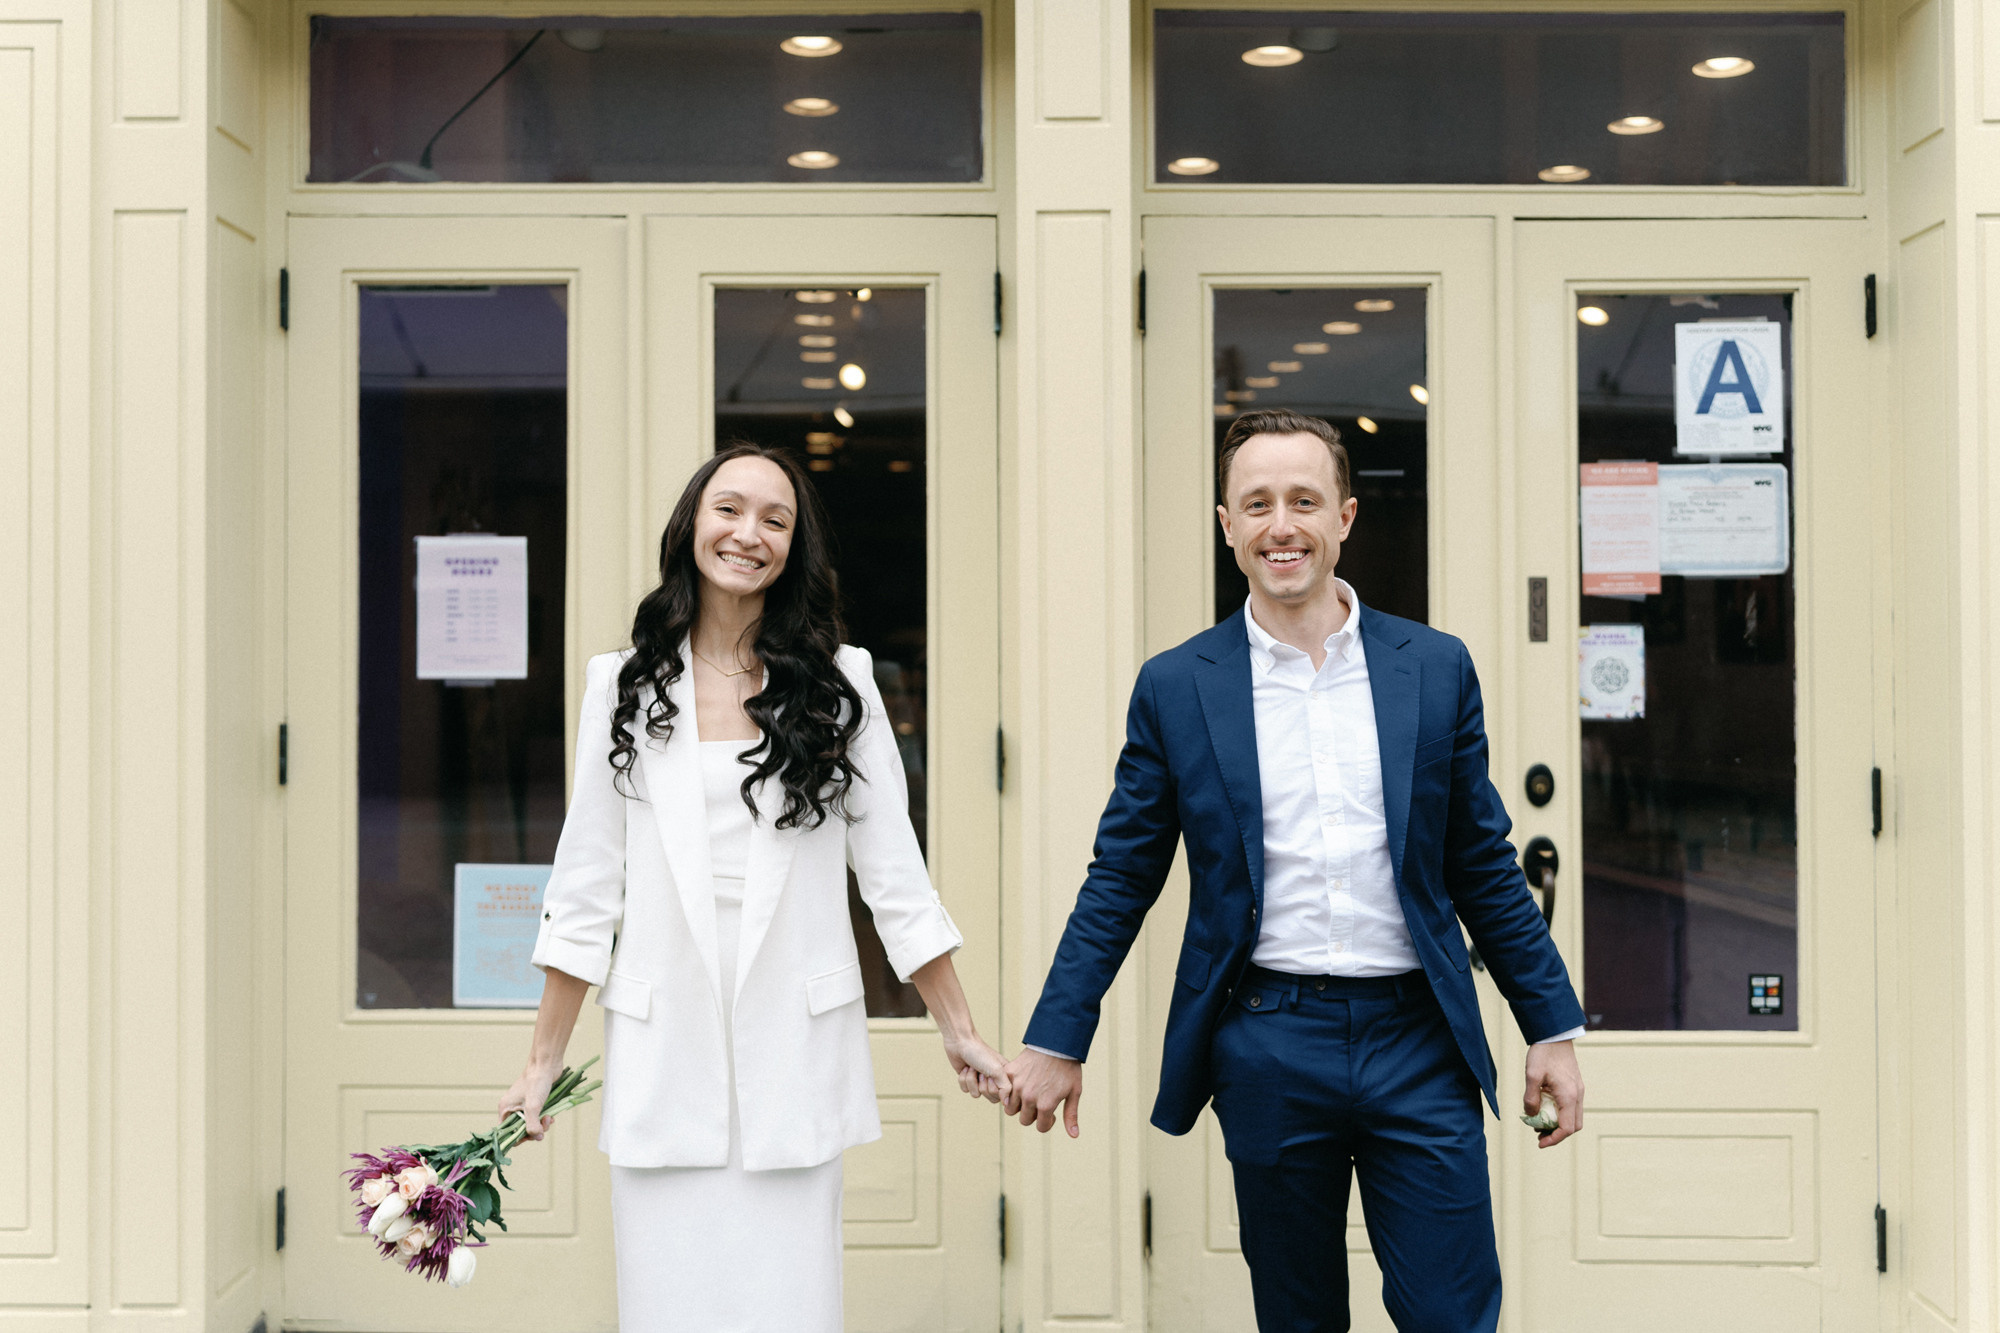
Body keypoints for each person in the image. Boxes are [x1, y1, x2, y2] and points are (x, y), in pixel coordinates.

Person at [1003, 408, 1586, 1332]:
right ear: (1227, 524)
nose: (1284, 524)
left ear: (1345, 517)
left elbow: (1481, 859)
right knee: (1299, 1316)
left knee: (1453, 1311)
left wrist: (1549, 1024)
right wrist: (1057, 1035)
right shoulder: (1177, 685)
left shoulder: (1433, 668)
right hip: (1270, 1041)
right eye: (1259, 502)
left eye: (1305, 500)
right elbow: (1122, 874)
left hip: (1418, 1040)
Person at [500, 441, 1008, 1333]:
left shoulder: (840, 684)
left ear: (794, 549)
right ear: (692, 524)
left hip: (793, 1059)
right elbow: (585, 888)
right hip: (666, 1057)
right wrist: (540, 1066)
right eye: (729, 509)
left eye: (776, 520)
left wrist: (959, 1030)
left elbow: (895, 877)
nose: (749, 533)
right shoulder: (619, 685)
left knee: (790, 1310)